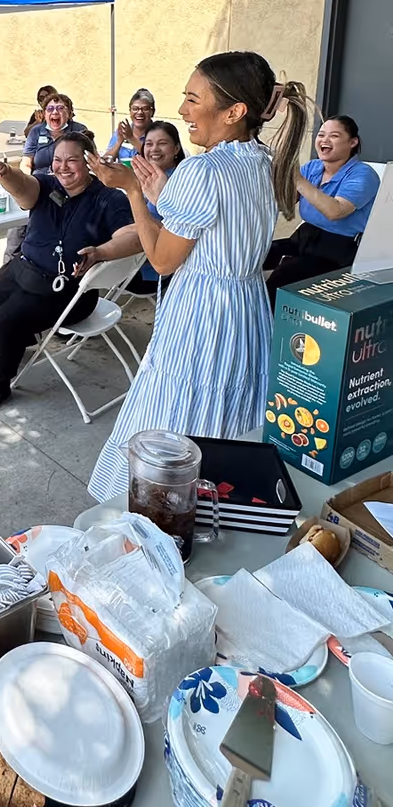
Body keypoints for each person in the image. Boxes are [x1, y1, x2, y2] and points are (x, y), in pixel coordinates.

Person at [85, 52, 311, 501]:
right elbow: (217, 227)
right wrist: (162, 193)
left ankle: (165, 509)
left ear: (234, 112)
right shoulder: (262, 159)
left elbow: (164, 260)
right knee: (229, 409)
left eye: (192, 98)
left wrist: (132, 190)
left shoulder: (200, 170)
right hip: (245, 309)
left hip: (202, 314)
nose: (184, 110)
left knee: (178, 417)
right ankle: (221, 504)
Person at [0, 134, 142, 413]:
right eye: (57, 160)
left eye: (72, 160)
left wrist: (99, 253)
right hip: (24, 271)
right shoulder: (48, 185)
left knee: (2, 322)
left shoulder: (107, 198)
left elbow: (134, 237)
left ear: (89, 162)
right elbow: (24, 187)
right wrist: (5, 172)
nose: (63, 167)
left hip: (69, 290)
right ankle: (18, 339)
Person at [265, 116, 379, 296]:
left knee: (281, 278)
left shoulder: (363, 174)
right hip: (304, 237)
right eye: (321, 135)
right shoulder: (312, 167)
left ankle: (264, 322)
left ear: (353, 142)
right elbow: (284, 203)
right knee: (258, 255)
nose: (324, 140)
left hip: (337, 251)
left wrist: (296, 178)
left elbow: (336, 211)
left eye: (334, 136)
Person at [127, 121, 186, 294]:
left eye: (162, 143)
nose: (154, 149)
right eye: (149, 144)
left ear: (176, 149)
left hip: (150, 273)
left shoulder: (178, 181)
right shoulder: (150, 176)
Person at [21, 94, 93, 178]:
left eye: (60, 108)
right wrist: (26, 180)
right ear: (45, 114)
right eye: (50, 109)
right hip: (40, 181)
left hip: (70, 180)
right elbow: (26, 163)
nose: (54, 112)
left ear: (69, 113)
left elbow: (90, 160)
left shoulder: (79, 130)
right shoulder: (36, 131)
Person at [106, 89, 156, 161]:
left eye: (145, 109)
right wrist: (119, 142)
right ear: (130, 111)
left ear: (153, 112)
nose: (139, 112)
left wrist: (131, 138)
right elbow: (106, 160)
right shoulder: (123, 131)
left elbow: (151, 158)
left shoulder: (158, 133)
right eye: (135, 109)